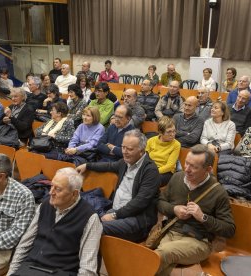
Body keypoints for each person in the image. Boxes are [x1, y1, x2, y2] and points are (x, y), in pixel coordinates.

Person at [155, 144, 235, 276]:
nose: (187, 169)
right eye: (186, 163)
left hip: (199, 241)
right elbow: (159, 202)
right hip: (171, 233)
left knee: (162, 254)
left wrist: (203, 217)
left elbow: (229, 230)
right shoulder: (177, 178)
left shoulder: (218, 192)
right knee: (162, 261)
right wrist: (174, 209)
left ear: (208, 169)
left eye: (194, 167)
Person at [7, 167, 102, 276]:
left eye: (58, 189)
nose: (51, 192)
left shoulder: (90, 217)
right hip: (30, 268)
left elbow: (88, 268)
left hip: (61, 272)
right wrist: (11, 273)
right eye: (51, 186)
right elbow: (24, 245)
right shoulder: (45, 205)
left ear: (74, 194)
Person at [76, 129, 160, 242]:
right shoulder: (125, 162)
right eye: (123, 147)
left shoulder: (150, 170)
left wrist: (115, 215)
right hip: (117, 212)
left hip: (137, 220)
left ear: (141, 150)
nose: (124, 152)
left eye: (129, 149)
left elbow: (140, 202)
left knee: (95, 228)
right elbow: (109, 165)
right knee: (83, 220)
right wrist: (87, 165)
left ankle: (86, 259)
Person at [146, 116, 180, 186]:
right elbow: (145, 158)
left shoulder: (176, 144)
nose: (172, 134)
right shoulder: (151, 141)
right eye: (169, 132)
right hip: (150, 168)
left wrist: (154, 171)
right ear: (160, 132)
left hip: (166, 172)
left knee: (151, 180)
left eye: (174, 131)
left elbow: (170, 166)